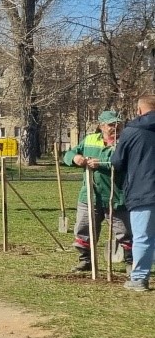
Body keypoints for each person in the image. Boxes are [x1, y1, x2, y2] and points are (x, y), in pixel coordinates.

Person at [62, 110, 130, 274]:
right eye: (111, 125)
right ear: (101, 126)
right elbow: (70, 153)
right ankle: (86, 260)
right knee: (84, 230)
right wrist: (74, 158)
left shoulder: (125, 143)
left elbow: (126, 163)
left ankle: (131, 262)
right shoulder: (90, 140)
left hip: (116, 196)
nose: (115, 128)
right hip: (89, 195)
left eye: (118, 124)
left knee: (124, 232)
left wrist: (103, 164)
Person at [112, 94, 155, 291]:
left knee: (142, 236)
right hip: (144, 188)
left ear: (139, 110)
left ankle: (139, 278)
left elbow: (117, 161)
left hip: (142, 189)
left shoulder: (132, 130)